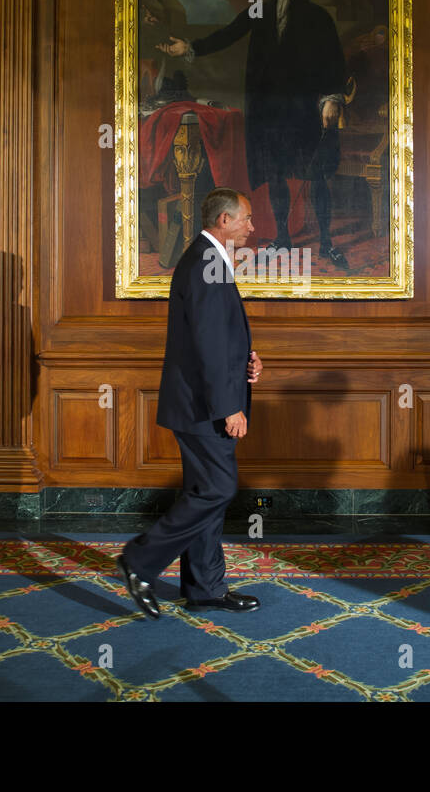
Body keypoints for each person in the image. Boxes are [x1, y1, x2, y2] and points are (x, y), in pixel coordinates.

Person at [117, 187, 264, 618]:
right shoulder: (204, 262)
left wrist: (247, 364)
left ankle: (204, 588)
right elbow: (206, 345)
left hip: (203, 401)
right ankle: (140, 560)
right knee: (218, 489)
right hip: (204, 406)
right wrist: (228, 406)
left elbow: (218, 338)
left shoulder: (209, 258)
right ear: (224, 221)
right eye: (247, 219)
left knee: (207, 491)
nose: (252, 227)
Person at [157, 0, 350, 269]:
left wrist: (332, 99)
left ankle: (327, 243)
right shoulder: (261, 7)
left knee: (316, 177)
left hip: (305, 110)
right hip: (268, 112)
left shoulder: (317, 15)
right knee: (275, 176)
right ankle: (283, 239)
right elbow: (230, 33)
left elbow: (334, 61)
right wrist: (190, 47)